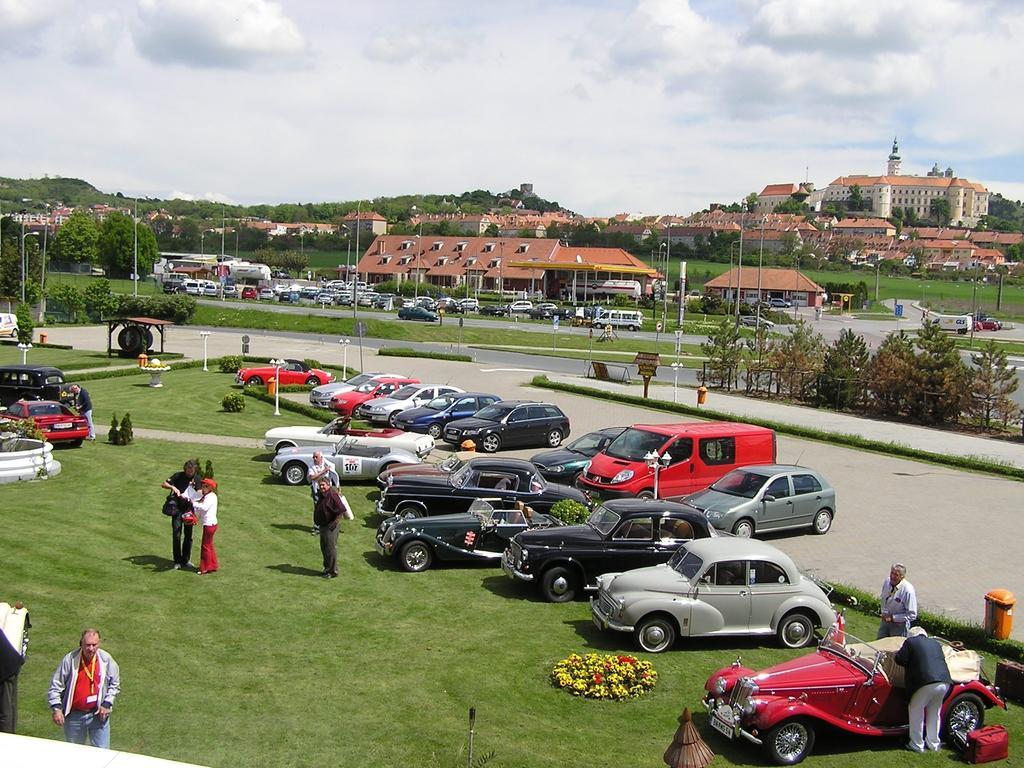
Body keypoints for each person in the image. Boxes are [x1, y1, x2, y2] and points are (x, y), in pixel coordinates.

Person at [47, 628, 120, 749]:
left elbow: (115, 683)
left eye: (94, 645)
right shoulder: (70, 660)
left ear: (99, 644)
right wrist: (57, 709)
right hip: (74, 717)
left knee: (102, 754)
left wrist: (107, 704)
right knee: (75, 755)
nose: (91, 649)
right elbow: (56, 685)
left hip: (98, 715)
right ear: (81, 643)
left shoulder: (106, 659)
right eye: (87, 645)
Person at [894, 627, 953, 752]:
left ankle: (916, 744)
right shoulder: (935, 643)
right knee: (934, 713)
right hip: (944, 682)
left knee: (916, 710)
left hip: (924, 682)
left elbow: (900, 659)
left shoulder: (910, 642)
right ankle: (933, 743)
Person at [161, 460, 199, 570]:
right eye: (188, 470)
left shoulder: (196, 478)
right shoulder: (178, 475)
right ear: (185, 469)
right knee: (177, 534)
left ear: (194, 470)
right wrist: (173, 487)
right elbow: (164, 484)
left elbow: (201, 491)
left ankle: (186, 560)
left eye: (192, 471)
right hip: (177, 509)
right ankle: (177, 561)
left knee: (188, 536)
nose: (189, 473)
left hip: (189, 511)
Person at [313, 477, 346, 578]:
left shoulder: (332, 495)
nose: (321, 487)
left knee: (330, 549)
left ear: (328, 485)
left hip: (330, 526)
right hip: (323, 525)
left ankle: (333, 571)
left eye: (323, 485)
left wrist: (335, 522)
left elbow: (341, 509)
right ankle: (327, 568)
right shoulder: (322, 495)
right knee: (324, 547)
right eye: (320, 485)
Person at [878, 562, 918, 638]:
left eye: (896, 575)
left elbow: (912, 615)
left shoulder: (908, 591)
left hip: (899, 627)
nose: (892, 576)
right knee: (878, 644)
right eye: (891, 573)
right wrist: (884, 613)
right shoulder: (887, 582)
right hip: (885, 622)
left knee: (895, 649)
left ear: (902, 576)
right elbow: (884, 599)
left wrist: (893, 618)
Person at [193, 478, 219, 575]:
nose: (203, 488)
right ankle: (212, 565)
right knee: (210, 545)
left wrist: (193, 503)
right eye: (203, 486)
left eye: (205, 486)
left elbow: (204, 507)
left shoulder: (209, 497)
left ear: (210, 487)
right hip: (212, 524)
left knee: (205, 546)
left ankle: (204, 568)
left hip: (209, 525)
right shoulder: (211, 496)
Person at [308, 451, 339, 535]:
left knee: (329, 507)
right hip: (317, 490)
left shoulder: (327, 464)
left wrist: (337, 486)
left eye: (316, 457)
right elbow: (313, 477)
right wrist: (324, 471)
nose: (314, 459)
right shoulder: (311, 465)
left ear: (321, 457)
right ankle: (317, 528)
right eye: (313, 457)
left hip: (327, 491)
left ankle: (330, 525)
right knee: (318, 508)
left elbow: (334, 475)